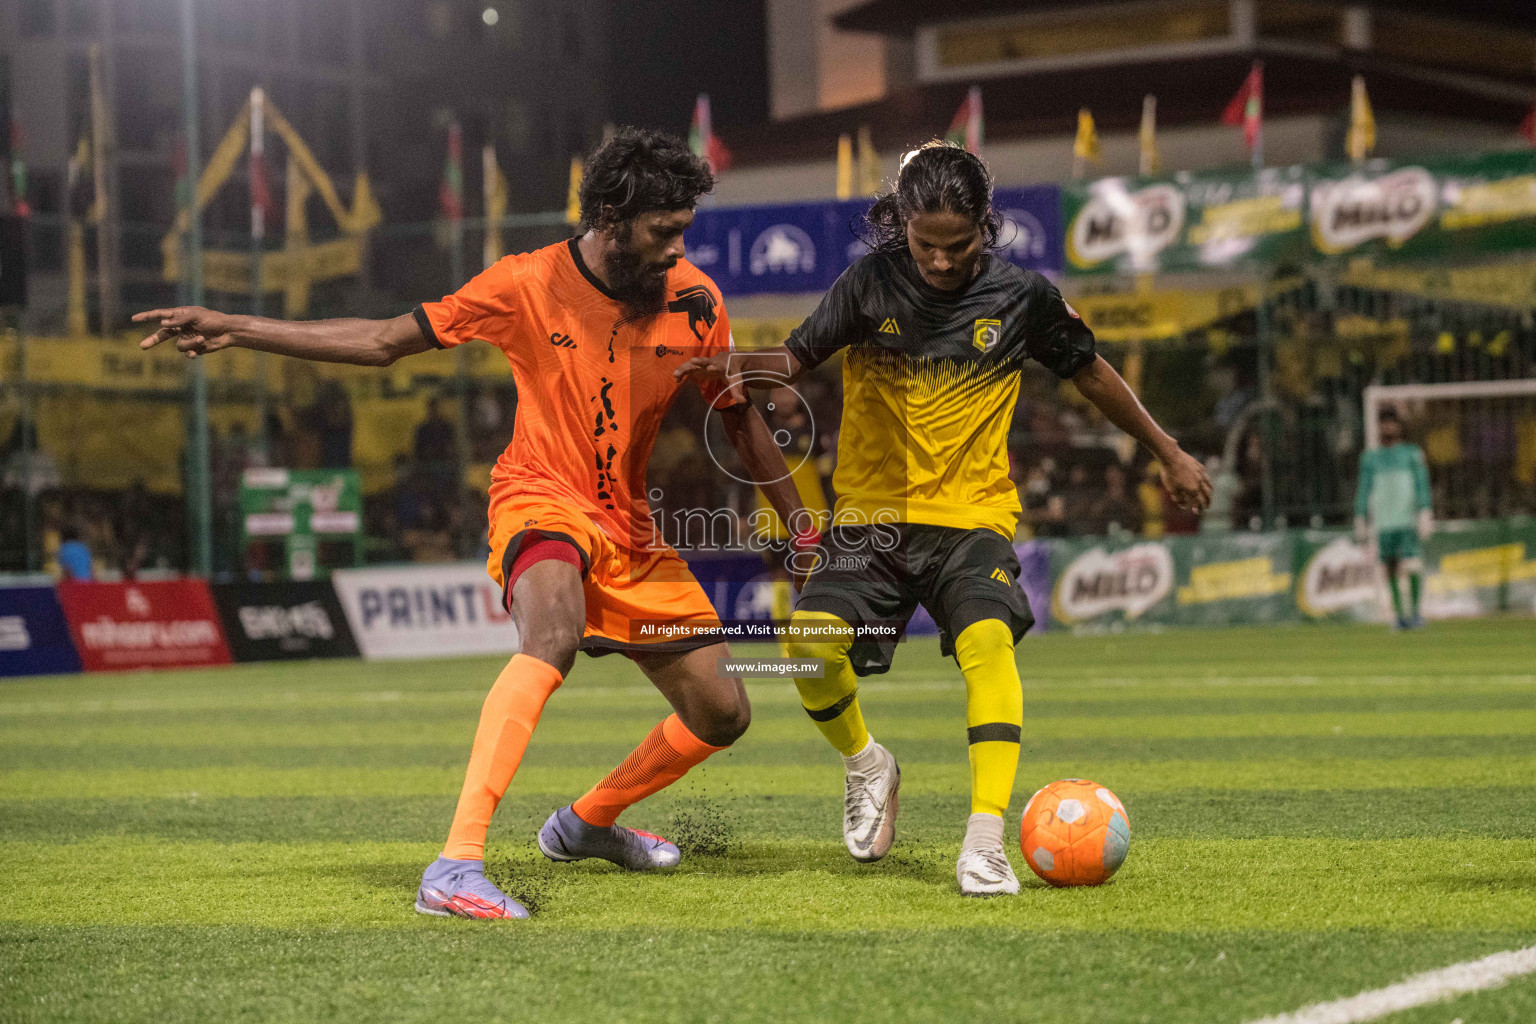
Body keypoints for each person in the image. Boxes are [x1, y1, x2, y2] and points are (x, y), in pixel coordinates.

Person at [135, 128, 807, 920]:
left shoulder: (697, 301)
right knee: (550, 634)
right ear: (612, 217)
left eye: (684, 230)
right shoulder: (525, 284)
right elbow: (385, 341)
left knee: (723, 714)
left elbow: (738, 416)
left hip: (630, 528)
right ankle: (455, 866)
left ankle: (586, 823)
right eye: (665, 230)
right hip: (540, 497)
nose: (678, 247)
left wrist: (803, 528)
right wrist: (241, 326)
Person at [677, 141, 1210, 897]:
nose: (938, 260)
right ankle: (867, 764)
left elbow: (1090, 370)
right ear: (901, 224)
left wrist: (1167, 450)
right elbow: (797, 358)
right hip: (871, 520)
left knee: (988, 644)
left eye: (957, 245)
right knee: (807, 648)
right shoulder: (868, 282)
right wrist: (727, 365)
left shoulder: (1021, 296)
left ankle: (985, 840)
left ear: (985, 227)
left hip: (972, 516)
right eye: (925, 244)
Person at [1355, 407, 1432, 629]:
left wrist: (1425, 510)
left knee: (1413, 565)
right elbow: (1364, 488)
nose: (1387, 427)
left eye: (1391, 422)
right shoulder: (1370, 458)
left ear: (1398, 426)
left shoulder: (1411, 453)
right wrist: (1360, 515)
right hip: (1384, 522)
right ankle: (1399, 615)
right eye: (1383, 422)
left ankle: (1416, 613)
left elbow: (1421, 483)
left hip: (1407, 519)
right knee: (1389, 567)